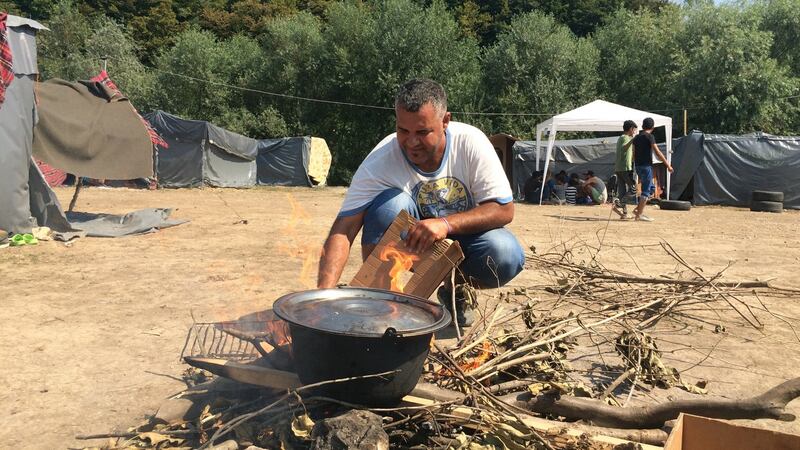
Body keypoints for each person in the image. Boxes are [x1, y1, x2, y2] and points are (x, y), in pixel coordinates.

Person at [316, 78, 525, 327]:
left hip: (465, 244)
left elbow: (503, 209)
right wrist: (322, 297)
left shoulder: (471, 143)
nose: (411, 142)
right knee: (389, 206)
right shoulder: (381, 160)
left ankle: (455, 289)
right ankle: (383, 301)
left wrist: (444, 224)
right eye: (403, 131)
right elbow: (345, 228)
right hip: (413, 246)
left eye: (422, 132)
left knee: (505, 253)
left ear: (445, 121)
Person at [632, 117, 673, 222]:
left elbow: (634, 153)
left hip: (638, 166)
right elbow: (658, 152)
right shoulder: (650, 137)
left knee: (651, 188)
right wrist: (668, 165)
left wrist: (635, 164)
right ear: (653, 127)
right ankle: (639, 215)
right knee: (646, 190)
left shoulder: (636, 138)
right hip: (646, 166)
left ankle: (637, 210)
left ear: (642, 126)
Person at [612, 120, 637, 219]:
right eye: (634, 130)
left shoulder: (622, 138)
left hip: (619, 168)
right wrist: (633, 140)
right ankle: (620, 204)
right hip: (625, 168)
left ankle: (625, 214)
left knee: (622, 191)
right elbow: (624, 148)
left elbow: (627, 153)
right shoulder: (625, 137)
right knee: (633, 189)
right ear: (631, 129)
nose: (634, 132)